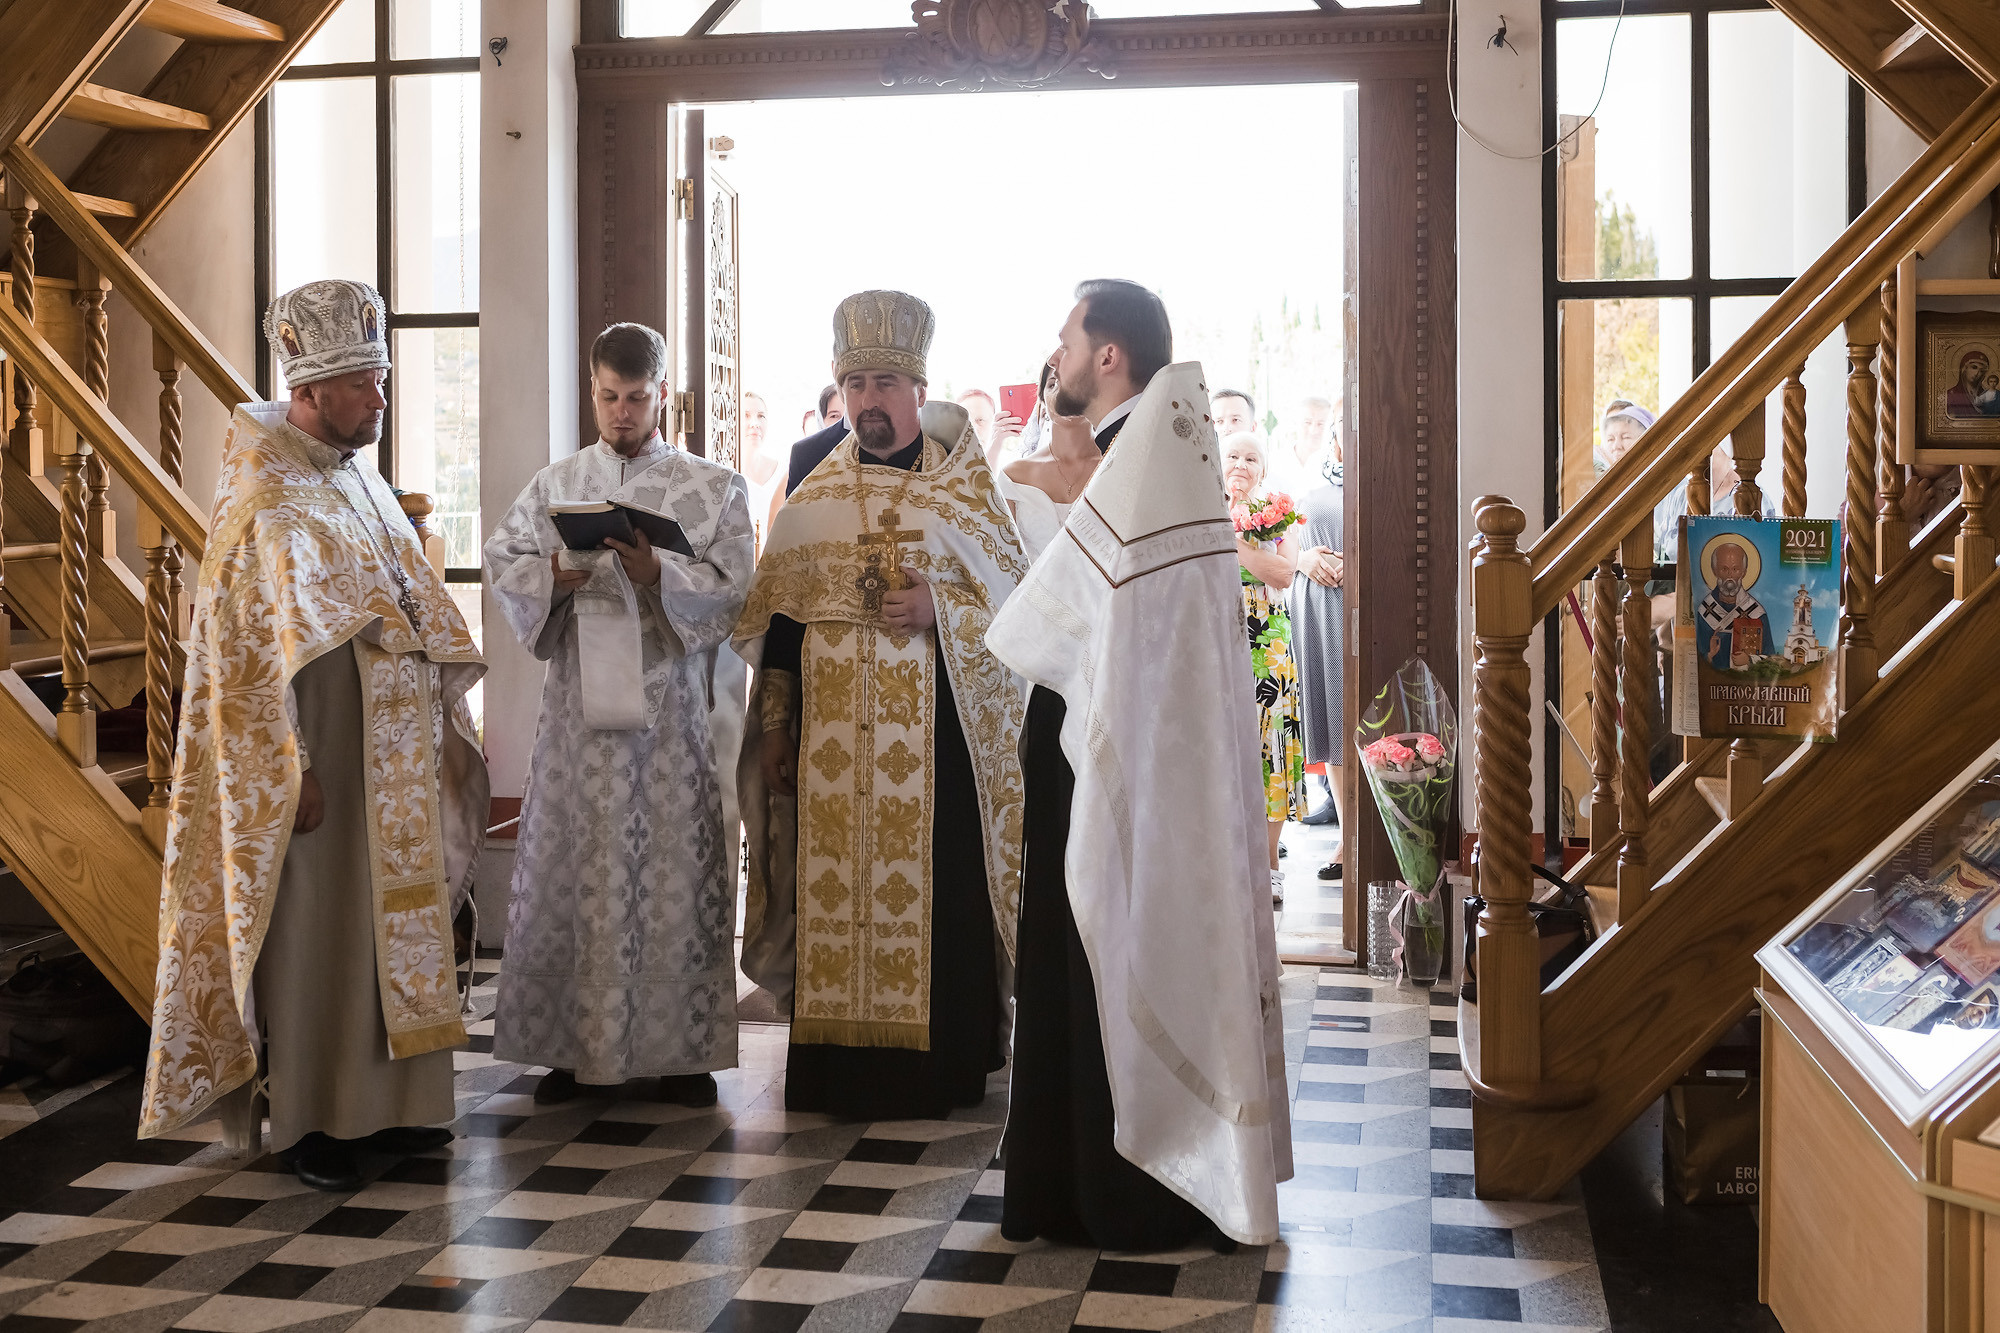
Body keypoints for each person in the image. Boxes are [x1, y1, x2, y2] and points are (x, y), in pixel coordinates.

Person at [139, 279, 489, 1190]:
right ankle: (316, 1123)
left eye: (380, 379)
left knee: (391, 936)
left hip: (393, 761)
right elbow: (248, 662)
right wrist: (289, 768)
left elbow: (405, 599)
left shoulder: (354, 477)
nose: (381, 398)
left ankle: (400, 1108)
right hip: (323, 760)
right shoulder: (265, 498)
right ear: (315, 388)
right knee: (321, 940)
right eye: (367, 382)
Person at [989, 294, 1292, 1252]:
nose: (1059, 355)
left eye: (1069, 340)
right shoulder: (1165, 452)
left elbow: (1060, 617)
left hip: (1113, 758)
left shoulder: (1145, 465)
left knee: (1101, 943)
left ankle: (1110, 1188)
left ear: (1108, 354)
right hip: (1137, 753)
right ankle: (1082, 1177)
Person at [735, 290, 1027, 1120]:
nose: (869, 399)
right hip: (832, 753)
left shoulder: (966, 493)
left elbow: (1017, 609)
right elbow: (783, 628)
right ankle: (839, 1074)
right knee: (833, 895)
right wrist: (777, 726)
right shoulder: (813, 495)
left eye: (885, 383)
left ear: (917, 388)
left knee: (940, 898)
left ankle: (945, 1067)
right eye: (855, 382)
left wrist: (947, 609)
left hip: (937, 752)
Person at [485, 322, 756, 1108]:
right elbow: (508, 566)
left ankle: (677, 1053)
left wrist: (659, 569)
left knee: (671, 867)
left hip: (671, 725)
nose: (622, 412)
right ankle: (574, 1052)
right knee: (580, 866)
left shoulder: (714, 488)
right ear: (592, 390)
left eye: (637, 398)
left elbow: (738, 587)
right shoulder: (556, 484)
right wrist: (561, 573)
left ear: (662, 394)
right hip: (577, 727)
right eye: (609, 396)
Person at [1223, 433, 1306, 904]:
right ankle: (1229, 860)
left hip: (1268, 643)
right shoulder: (1202, 507)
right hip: (1219, 635)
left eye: (1251, 458)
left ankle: (1268, 864)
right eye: (1232, 455)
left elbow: (1283, 573)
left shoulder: (1281, 511)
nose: (1240, 464)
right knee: (1228, 744)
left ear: (1264, 467)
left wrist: (1233, 543)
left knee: (1271, 746)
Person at [1291, 429, 1346, 882]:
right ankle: (1347, 835)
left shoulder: (1384, 483)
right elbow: (1287, 547)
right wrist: (1304, 561)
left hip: (1366, 603)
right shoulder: (1312, 490)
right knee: (1332, 717)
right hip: (1320, 605)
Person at [1697, 538, 1771, 669]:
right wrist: (1709, 655)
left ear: (1744, 572)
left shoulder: (1756, 613)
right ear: (1714, 571)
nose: (1730, 576)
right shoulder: (1704, 612)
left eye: (1735, 569)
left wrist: (1749, 660)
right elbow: (1696, 658)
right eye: (1724, 569)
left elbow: (1770, 659)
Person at [1269, 394, 1335, 496]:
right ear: (1297, 423)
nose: (1314, 430)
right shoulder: (1275, 460)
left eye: (1321, 424)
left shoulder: (1334, 463)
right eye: (1307, 422)